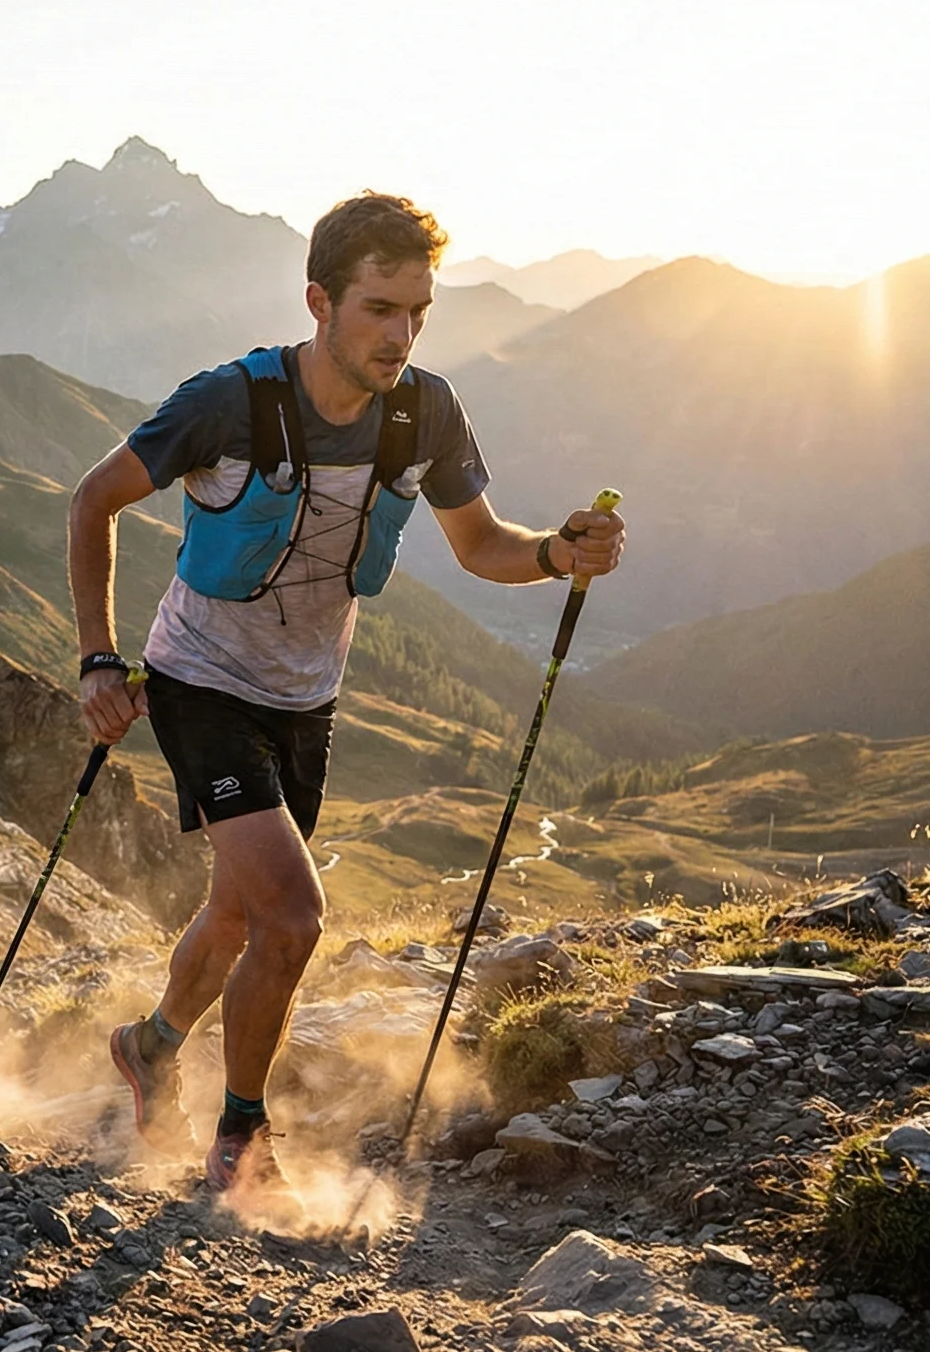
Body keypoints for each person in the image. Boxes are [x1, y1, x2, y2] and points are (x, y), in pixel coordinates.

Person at [64, 191, 625, 1197]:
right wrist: (99, 661)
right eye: (379, 308)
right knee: (291, 917)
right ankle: (241, 1138)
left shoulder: (425, 411)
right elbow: (91, 499)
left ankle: (149, 1045)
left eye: (418, 310)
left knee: (236, 917)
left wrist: (553, 553)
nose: (400, 333)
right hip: (199, 678)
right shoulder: (226, 401)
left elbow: (479, 542)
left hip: (305, 696)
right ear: (319, 301)